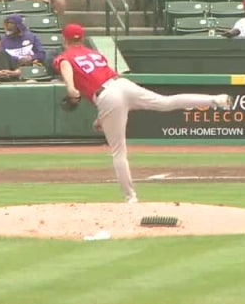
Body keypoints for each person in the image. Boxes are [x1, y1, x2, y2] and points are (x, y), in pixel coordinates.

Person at [53, 23, 232, 203]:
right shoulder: (95, 54)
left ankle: (131, 198)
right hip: (122, 84)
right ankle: (215, 99)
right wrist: (102, 117)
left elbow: (66, 65)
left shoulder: (65, 56)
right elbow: (105, 82)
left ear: (64, 39)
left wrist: (70, 87)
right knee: (166, 102)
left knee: (118, 152)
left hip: (107, 95)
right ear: (82, 38)